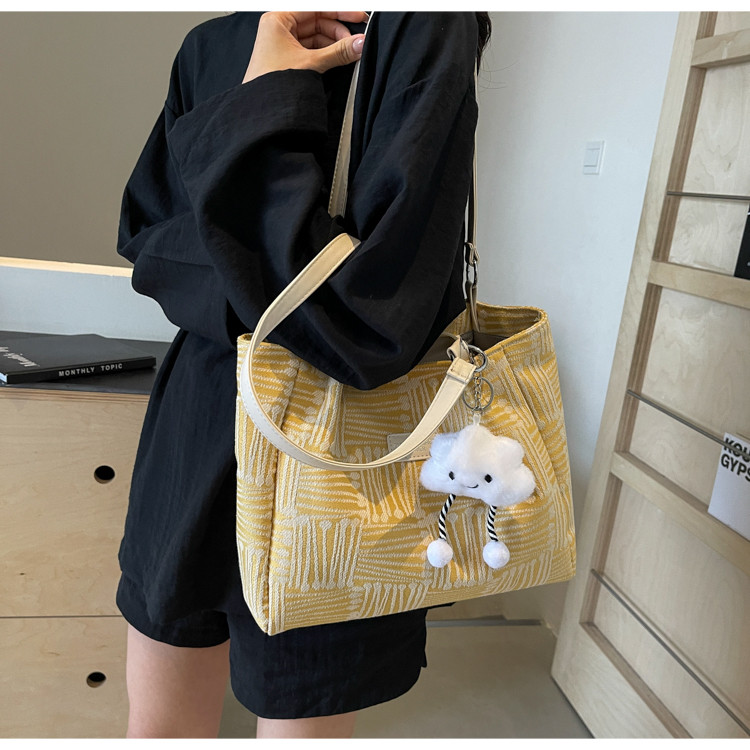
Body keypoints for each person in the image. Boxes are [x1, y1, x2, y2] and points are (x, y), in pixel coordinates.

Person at [116, 10, 491, 739]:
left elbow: (372, 319)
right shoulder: (212, 43)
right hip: (193, 433)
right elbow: (147, 242)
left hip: (331, 456)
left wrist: (268, 98)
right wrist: (279, 287)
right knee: (156, 728)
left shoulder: (420, 27)